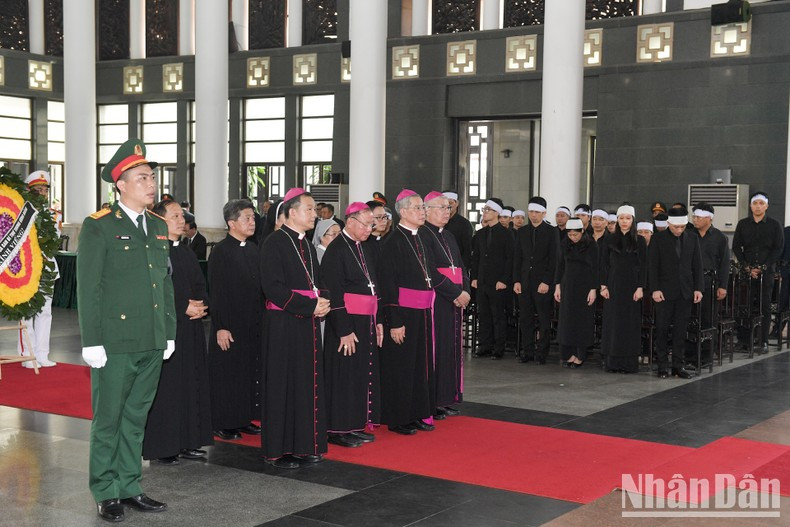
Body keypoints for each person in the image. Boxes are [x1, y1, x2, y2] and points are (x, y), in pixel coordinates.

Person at [77, 139, 175, 522]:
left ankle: (130, 485)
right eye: (141, 178)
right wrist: (92, 341)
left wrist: (168, 331)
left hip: (151, 339)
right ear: (120, 184)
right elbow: (90, 288)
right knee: (109, 419)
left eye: (151, 177)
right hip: (115, 343)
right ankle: (105, 490)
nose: (150, 184)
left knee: (137, 417)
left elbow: (164, 284)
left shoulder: (157, 225)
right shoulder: (99, 226)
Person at [260, 188, 331, 468]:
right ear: (291, 212)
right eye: (310, 209)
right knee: (283, 385)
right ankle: (278, 450)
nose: (315, 214)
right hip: (283, 325)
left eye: (315, 210)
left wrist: (324, 300)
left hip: (306, 324)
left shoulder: (307, 245)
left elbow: (319, 280)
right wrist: (309, 306)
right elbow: (273, 288)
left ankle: (305, 444)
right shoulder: (274, 243)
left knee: (306, 384)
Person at [378, 189, 456, 435]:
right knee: (402, 366)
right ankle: (399, 418)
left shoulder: (421, 238)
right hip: (404, 313)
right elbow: (388, 285)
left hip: (423, 311)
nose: (422, 212)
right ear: (403, 212)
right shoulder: (393, 242)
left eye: (423, 207)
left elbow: (429, 273)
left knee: (420, 366)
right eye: (418, 208)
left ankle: (417, 413)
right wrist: (395, 321)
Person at [143, 200, 213, 465]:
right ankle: (165, 446)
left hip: (191, 329)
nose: (181, 220)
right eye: (175, 216)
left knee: (190, 384)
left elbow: (199, 283)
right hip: (167, 328)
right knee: (168, 388)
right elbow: (153, 291)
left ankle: (188, 441)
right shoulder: (152, 250)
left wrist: (200, 305)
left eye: (182, 216)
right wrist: (183, 306)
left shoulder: (185, 252)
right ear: (159, 220)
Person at [322, 202, 383, 448]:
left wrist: (377, 321)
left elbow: (373, 286)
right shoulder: (336, 250)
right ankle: (338, 428)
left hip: (365, 320)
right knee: (343, 376)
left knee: (359, 374)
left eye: (372, 225)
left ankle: (355, 424)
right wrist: (344, 330)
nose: (370, 229)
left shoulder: (364, 248)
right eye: (367, 224)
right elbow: (333, 294)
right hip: (346, 323)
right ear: (350, 222)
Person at [208, 199, 264, 441]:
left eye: (253, 218)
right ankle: (223, 421)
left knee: (248, 372)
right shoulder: (220, 252)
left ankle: (243, 417)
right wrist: (221, 326)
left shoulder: (253, 249)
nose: (252, 222)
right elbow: (217, 293)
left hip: (252, 323)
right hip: (228, 325)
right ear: (231, 223)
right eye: (247, 218)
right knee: (228, 375)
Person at [422, 191, 470, 418]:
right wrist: (455, 293)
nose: (446, 212)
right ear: (427, 210)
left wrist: (466, 291)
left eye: (448, 208)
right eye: (442, 208)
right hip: (438, 300)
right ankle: (435, 400)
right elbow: (430, 272)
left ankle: (448, 396)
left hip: (454, 299)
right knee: (438, 348)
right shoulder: (423, 235)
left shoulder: (449, 236)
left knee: (451, 348)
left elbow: (461, 267)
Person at [649, 209, 704, 378]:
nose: (679, 230)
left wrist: (698, 288)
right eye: (675, 227)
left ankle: (678, 366)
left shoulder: (692, 238)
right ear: (669, 224)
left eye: (681, 227)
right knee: (662, 329)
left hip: (685, 292)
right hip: (664, 292)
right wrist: (655, 289)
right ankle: (662, 366)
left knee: (681, 331)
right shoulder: (658, 239)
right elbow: (652, 266)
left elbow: (697, 265)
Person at [732, 192, 784, 354]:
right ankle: (744, 340)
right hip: (747, 271)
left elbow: (778, 248)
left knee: (765, 306)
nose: (758, 206)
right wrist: (747, 266)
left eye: (761, 203)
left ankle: (763, 341)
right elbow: (736, 247)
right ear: (750, 206)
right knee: (744, 305)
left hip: (767, 272)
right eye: (755, 203)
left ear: (766, 206)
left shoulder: (775, 225)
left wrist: (763, 267)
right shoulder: (743, 224)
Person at [19, 170, 60, 368]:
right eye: (38, 189)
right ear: (29, 190)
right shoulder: (22, 212)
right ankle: (28, 353)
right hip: (26, 266)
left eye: (45, 190)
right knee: (26, 312)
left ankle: (43, 353)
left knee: (45, 311)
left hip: (47, 266)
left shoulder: (53, 214)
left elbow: (54, 241)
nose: (43, 193)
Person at [599, 204, 646, 374]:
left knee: (629, 324)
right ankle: (612, 362)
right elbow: (603, 263)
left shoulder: (639, 240)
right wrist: (603, 285)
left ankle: (628, 363)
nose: (624, 221)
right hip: (613, 286)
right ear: (617, 220)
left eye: (628, 218)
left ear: (633, 220)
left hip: (632, 287)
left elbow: (644, 266)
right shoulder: (608, 239)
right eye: (621, 218)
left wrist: (641, 287)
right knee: (613, 323)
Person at [513, 196, 559, 364]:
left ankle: (542, 353)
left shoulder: (551, 232)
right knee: (525, 318)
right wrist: (516, 280)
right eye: (531, 211)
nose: (533, 215)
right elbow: (517, 258)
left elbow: (554, 260)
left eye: (537, 212)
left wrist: (547, 281)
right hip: (524, 282)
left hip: (542, 283)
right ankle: (528, 351)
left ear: (544, 213)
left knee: (544, 319)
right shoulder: (522, 232)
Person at [470, 198, 514, 359]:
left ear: (496, 213)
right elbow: (477, 258)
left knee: (498, 316)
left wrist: (504, 279)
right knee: (484, 315)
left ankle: (498, 347)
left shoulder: (506, 234)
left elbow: (510, 259)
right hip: (482, 281)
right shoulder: (480, 233)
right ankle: (484, 346)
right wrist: (474, 277)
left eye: (488, 209)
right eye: (485, 209)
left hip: (498, 282)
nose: (485, 212)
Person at [554, 218, 597, 368]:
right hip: (568, 286)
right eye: (570, 235)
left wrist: (593, 289)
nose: (573, 237)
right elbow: (560, 266)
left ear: (582, 231)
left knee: (581, 321)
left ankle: (580, 355)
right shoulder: (564, 244)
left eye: (576, 235)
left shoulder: (591, 245)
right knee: (567, 321)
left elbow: (595, 268)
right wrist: (557, 286)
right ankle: (569, 354)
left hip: (584, 286)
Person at [689, 202, 730, 362]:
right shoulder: (689, 234)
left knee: (708, 319)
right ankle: (690, 353)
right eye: (694, 216)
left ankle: (706, 354)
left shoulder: (720, 237)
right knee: (690, 318)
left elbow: (724, 264)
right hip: (690, 283)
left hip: (710, 283)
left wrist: (723, 286)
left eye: (698, 217)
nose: (695, 219)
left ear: (709, 218)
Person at [443, 190, 474, 270]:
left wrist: (461, 269)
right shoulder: (436, 221)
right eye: (444, 204)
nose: (447, 206)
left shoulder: (464, 224)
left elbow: (467, 251)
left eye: (450, 203)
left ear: (457, 203)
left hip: (457, 267)